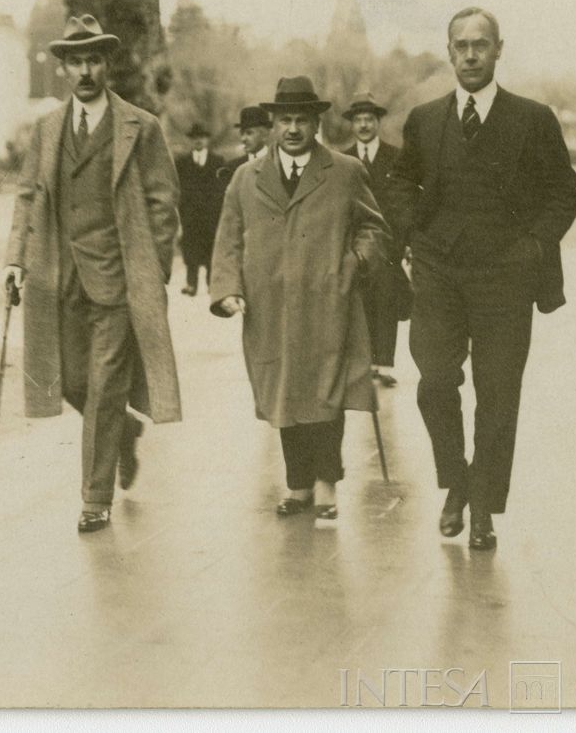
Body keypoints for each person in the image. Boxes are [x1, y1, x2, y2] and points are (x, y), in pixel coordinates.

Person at [388, 7, 576, 550]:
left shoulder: (533, 119)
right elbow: (400, 183)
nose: (470, 55)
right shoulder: (425, 120)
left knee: (497, 397)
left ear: (498, 49)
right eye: (461, 45)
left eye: (481, 44)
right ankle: (457, 480)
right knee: (434, 382)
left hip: (506, 277)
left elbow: (563, 192)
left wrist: (533, 247)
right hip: (439, 272)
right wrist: (414, 233)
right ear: (448, 52)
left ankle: (482, 509)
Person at [3, 14, 182, 533]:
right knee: (70, 381)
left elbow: (163, 203)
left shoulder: (140, 127)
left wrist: (150, 269)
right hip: (59, 279)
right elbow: (27, 196)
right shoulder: (47, 130)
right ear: (62, 68)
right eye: (75, 61)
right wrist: (15, 259)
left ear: (107, 65)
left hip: (119, 281)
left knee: (104, 385)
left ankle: (95, 498)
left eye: (94, 60)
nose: (85, 71)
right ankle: (123, 431)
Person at [210, 76, 390, 525]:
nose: (293, 129)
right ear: (272, 124)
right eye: (285, 120)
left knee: (327, 391)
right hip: (269, 307)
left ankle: (327, 483)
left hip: (329, 302)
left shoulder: (344, 172)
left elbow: (373, 227)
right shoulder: (246, 178)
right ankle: (298, 485)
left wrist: (355, 263)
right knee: (284, 391)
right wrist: (228, 289)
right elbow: (228, 238)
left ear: (316, 123)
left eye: (302, 120)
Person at [339, 91, 409, 388]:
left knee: (386, 302)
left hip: (390, 243)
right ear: (352, 124)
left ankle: (384, 364)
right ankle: (364, 364)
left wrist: (404, 241)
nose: (364, 125)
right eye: (359, 120)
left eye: (369, 119)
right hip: (355, 244)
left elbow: (405, 200)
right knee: (359, 303)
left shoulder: (396, 157)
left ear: (378, 122)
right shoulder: (343, 160)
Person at [175, 123, 226, 295]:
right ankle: (191, 284)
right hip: (190, 216)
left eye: (201, 137)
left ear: (207, 139)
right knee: (190, 250)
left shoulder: (218, 161)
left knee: (212, 250)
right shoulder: (181, 163)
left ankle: (212, 284)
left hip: (212, 215)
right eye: (194, 137)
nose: (198, 140)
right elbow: (177, 188)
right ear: (190, 140)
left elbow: (222, 188)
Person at [218, 106, 272, 182]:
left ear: (264, 135)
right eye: (242, 133)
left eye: (249, 133)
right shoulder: (232, 168)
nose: (243, 139)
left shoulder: (277, 163)